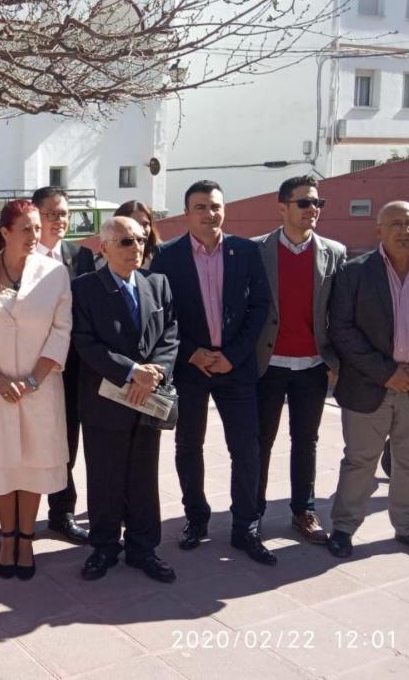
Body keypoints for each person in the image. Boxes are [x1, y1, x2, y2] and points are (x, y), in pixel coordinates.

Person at [150, 181, 276, 565]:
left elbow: (260, 307)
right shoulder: (167, 257)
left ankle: (245, 527)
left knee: (246, 448)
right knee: (189, 446)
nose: (210, 213)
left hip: (235, 367)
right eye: (201, 207)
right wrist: (193, 354)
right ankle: (196, 518)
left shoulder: (247, 251)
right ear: (187, 213)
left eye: (216, 206)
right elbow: (163, 316)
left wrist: (232, 356)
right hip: (190, 369)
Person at [0, 199, 72, 580]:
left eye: (38, 229)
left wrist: (33, 380)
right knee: (2, 463)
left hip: (40, 388)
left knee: (34, 463)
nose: (34, 236)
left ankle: (27, 538)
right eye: (26, 229)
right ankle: (7, 538)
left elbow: (61, 332)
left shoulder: (55, 273)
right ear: (5, 232)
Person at [73, 216, 179, 583]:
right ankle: (104, 547)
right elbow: (84, 342)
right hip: (106, 403)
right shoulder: (84, 289)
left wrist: (156, 373)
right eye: (125, 242)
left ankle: (143, 548)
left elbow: (170, 335)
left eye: (139, 240)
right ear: (104, 248)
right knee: (105, 477)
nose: (135, 248)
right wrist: (132, 370)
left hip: (148, 401)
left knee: (143, 478)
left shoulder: (158, 284)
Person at [326, 201, 409, 560]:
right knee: (359, 460)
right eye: (395, 223)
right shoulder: (354, 273)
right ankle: (343, 527)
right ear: (379, 230)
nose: (404, 230)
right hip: (369, 385)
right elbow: (341, 328)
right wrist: (387, 373)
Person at [253, 176, 346, 545]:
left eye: (318, 204)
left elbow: (339, 313)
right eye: (305, 203)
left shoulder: (334, 252)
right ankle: (252, 511)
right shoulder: (256, 251)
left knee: (306, 440)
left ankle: (303, 511)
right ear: (282, 208)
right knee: (260, 441)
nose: (313, 210)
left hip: (312, 365)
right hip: (268, 364)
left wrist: (336, 361)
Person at [31, 186, 96, 544]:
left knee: (69, 442)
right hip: (34, 367)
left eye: (64, 214)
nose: (59, 220)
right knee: (37, 442)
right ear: (36, 216)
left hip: (77, 367)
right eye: (52, 213)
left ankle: (62, 513)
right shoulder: (21, 258)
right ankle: (23, 514)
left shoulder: (81, 257)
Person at [114, 200, 162, 266]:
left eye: (145, 224)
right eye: (135, 224)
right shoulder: (102, 263)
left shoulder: (162, 255)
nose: (141, 230)